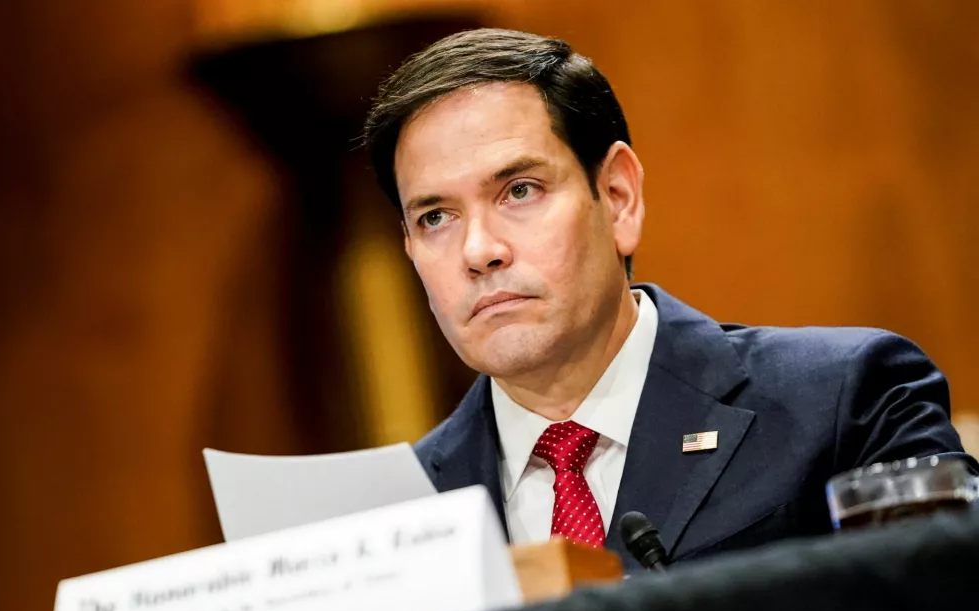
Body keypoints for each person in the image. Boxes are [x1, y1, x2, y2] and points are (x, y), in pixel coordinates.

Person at [361, 28, 973, 569]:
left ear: (619, 196)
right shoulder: (397, 515)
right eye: (436, 216)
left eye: (520, 191)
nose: (479, 250)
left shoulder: (845, 402)